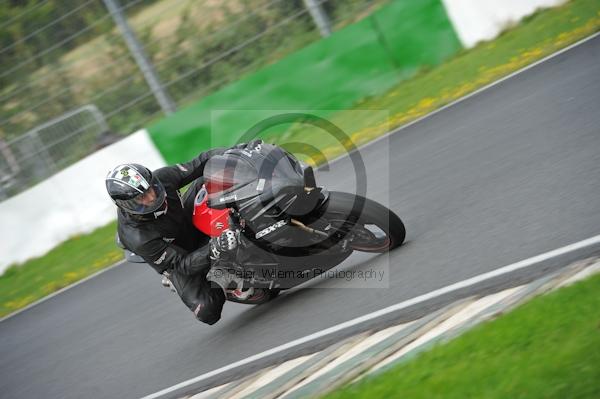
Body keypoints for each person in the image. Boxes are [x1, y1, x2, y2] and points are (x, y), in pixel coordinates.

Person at [105, 146, 249, 325]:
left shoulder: (163, 178)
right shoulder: (138, 238)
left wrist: (235, 151)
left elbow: (200, 162)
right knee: (207, 311)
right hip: (179, 255)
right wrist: (217, 247)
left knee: (211, 176)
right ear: (126, 205)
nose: (151, 197)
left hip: (185, 219)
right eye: (141, 198)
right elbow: (182, 265)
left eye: (151, 189)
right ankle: (224, 278)